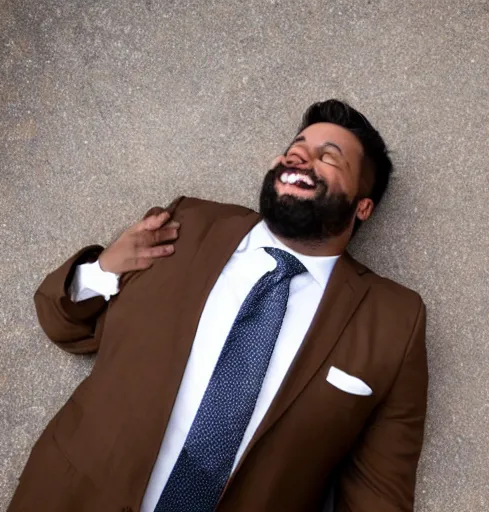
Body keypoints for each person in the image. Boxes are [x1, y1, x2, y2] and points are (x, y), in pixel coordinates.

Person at [8, 99, 428, 512]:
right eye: (296, 147)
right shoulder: (188, 225)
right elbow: (62, 325)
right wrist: (103, 270)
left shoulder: (394, 320)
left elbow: (380, 490)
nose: (300, 157)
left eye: (328, 157)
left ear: (362, 206)